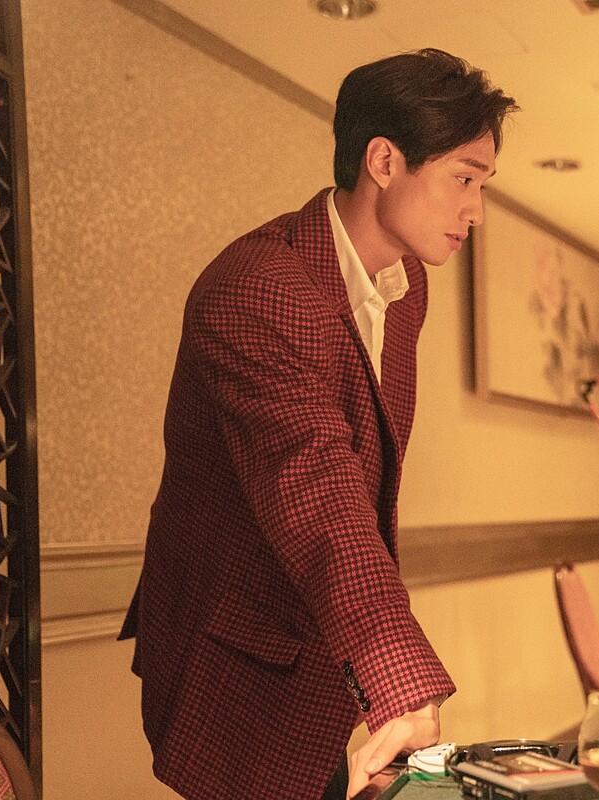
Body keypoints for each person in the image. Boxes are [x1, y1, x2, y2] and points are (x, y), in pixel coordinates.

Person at [119, 49, 517, 800]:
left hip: (329, 645)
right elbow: (317, 489)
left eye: (483, 185)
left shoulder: (405, 285)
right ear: (384, 161)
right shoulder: (256, 288)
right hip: (237, 660)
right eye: (464, 179)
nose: (476, 211)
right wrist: (396, 676)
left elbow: (359, 480)